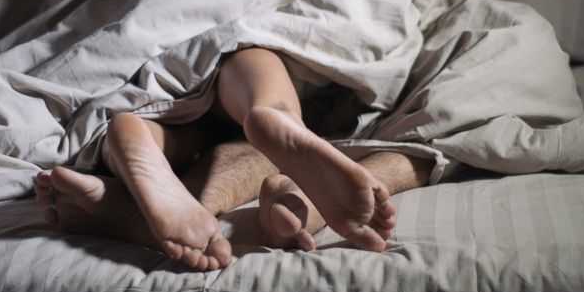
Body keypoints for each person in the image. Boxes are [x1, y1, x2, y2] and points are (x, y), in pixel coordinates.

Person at [35, 48, 432, 271]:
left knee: (224, 82)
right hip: (299, 92)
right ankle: (275, 115)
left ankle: (144, 138)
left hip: (218, 106)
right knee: (253, 49)